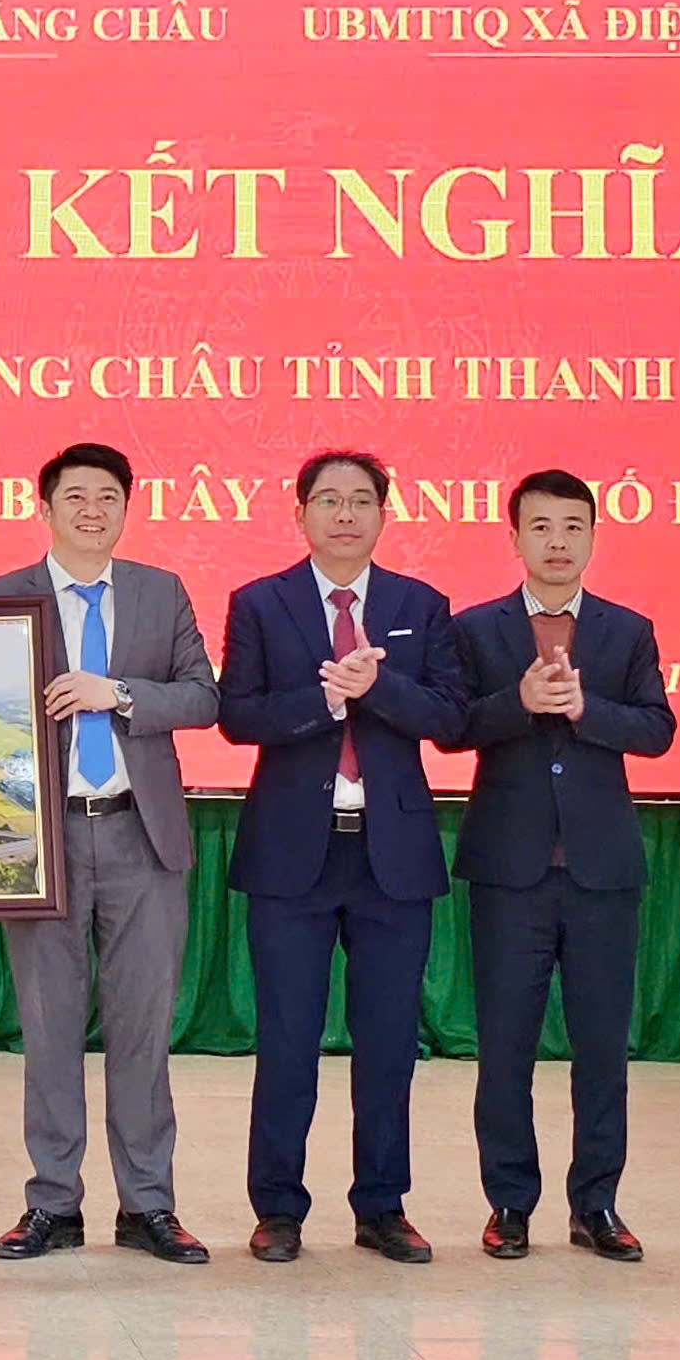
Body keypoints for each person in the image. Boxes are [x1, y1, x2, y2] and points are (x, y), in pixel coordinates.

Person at [0, 443, 221, 1264]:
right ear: (43, 508)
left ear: (125, 509)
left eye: (107, 497)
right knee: (47, 1029)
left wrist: (115, 693)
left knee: (141, 1030)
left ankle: (147, 1205)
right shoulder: (0, 599)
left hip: (137, 833)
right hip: (40, 842)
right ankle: (52, 1204)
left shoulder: (159, 592)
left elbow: (202, 697)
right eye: (74, 496)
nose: (91, 510)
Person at [219, 450, 465, 1266]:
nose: (345, 514)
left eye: (361, 500)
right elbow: (238, 716)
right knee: (286, 1040)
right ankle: (277, 1208)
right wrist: (325, 698)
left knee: (388, 1044)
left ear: (383, 515)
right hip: (291, 854)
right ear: (299, 514)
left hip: (390, 857)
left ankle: (381, 1207)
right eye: (328, 500)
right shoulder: (260, 602)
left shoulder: (419, 604)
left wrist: (374, 688)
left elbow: (448, 717)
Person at [441, 469, 675, 1264]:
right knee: (504, 1048)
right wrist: (517, 702)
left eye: (572, 527)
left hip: (601, 873)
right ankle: (508, 1203)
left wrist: (584, 709)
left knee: (601, 1050)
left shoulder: (626, 630)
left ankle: (595, 1204)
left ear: (592, 538)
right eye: (539, 527)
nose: (556, 542)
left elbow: (656, 729)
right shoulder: (475, 630)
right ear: (513, 537)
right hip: (508, 873)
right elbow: (451, 727)